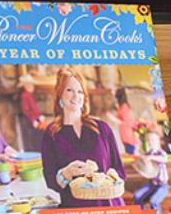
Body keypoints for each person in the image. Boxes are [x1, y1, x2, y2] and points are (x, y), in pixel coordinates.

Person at [42, 68, 126, 207]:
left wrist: (106, 182)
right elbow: (50, 180)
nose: (76, 96)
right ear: (60, 95)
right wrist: (65, 173)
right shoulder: (51, 133)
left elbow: (119, 170)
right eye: (69, 90)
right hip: (75, 212)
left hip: (109, 208)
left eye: (80, 91)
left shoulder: (102, 129)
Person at [133, 132, 170, 214]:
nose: (150, 142)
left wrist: (150, 158)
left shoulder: (161, 152)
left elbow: (164, 159)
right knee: (137, 196)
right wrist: (141, 159)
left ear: (158, 141)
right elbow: (142, 165)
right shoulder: (147, 153)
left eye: (153, 140)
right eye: (148, 140)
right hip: (152, 185)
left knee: (153, 201)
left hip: (163, 186)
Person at [114, 87, 139, 155]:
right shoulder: (121, 107)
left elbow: (128, 123)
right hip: (125, 136)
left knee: (131, 156)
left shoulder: (124, 107)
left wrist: (114, 119)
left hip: (128, 137)